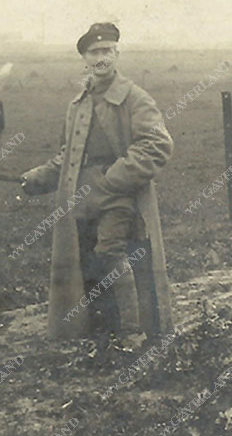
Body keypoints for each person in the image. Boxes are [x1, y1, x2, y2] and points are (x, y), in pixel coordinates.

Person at [21, 23, 174, 341]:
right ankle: (102, 332)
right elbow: (68, 156)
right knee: (86, 262)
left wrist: (112, 179)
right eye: (95, 52)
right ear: (84, 59)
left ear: (117, 54)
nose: (102, 57)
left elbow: (157, 145)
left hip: (118, 197)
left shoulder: (135, 98)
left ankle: (134, 333)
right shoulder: (77, 103)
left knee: (110, 253)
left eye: (108, 51)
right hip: (81, 199)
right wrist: (38, 178)